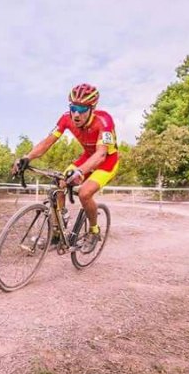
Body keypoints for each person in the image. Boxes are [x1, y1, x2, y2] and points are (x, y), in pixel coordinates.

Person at [12, 83, 119, 253]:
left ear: (92, 108)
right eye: (73, 107)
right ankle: (57, 231)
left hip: (106, 161)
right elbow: (47, 142)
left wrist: (79, 171)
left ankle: (94, 231)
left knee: (84, 193)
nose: (76, 113)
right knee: (59, 184)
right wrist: (27, 157)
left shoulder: (104, 121)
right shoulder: (66, 118)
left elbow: (101, 155)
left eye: (82, 109)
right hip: (86, 157)